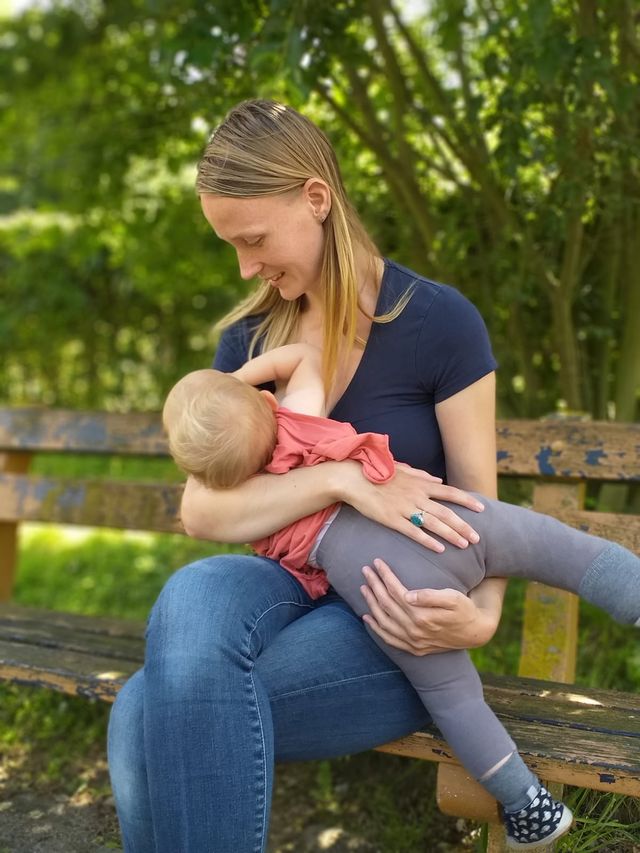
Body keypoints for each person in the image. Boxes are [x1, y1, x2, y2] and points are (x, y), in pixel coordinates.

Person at [108, 98, 519, 852]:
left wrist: (485, 615)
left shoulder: (440, 323)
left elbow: (482, 504)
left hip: (391, 613)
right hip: (289, 579)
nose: (245, 265)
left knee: (144, 712)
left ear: (316, 198)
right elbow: (203, 511)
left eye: (254, 238)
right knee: (192, 589)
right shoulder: (252, 338)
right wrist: (341, 481)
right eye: (230, 246)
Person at [162, 344, 640, 849]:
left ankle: (529, 807)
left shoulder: (248, 496)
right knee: (564, 549)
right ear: (263, 404)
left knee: (452, 698)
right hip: (447, 516)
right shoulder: (294, 420)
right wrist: (235, 384)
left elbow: (203, 506)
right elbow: (303, 358)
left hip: (390, 585)